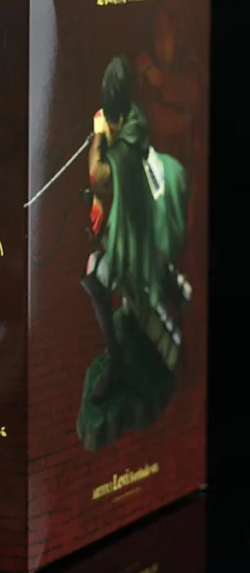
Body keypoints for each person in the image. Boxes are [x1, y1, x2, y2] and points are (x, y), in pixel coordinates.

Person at [84, 56, 188, 400]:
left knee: (95, 274)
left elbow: (99, 176)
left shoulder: (130, 139)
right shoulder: (130, 119)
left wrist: (98, 136)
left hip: (137, 231)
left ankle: (116, 363)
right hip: (129, 217)